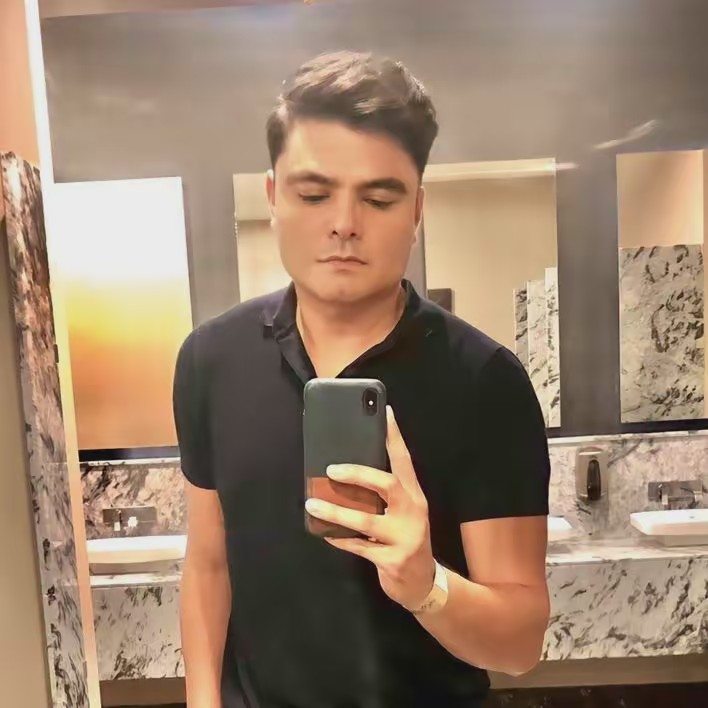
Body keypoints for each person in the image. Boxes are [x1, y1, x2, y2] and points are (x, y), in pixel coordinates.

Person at [173, 50, 550, 708]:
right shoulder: (211, 360)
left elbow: (520, 643)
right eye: (314, 194)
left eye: (379, 198)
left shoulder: (484, 381)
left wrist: (426, 584)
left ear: (417, 209)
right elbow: (208, 566)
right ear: (272, 197)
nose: (344, 223)